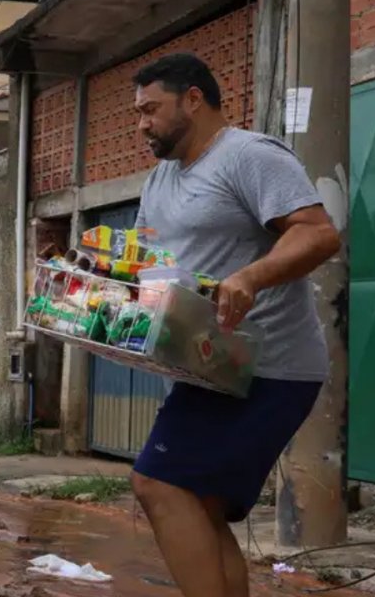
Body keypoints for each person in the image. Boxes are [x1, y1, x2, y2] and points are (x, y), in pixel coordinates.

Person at [127, 53, 340, 597]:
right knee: (199, 502)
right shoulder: (159, 180)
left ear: (193, 99)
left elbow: (317, 233)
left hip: (266, 366)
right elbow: (144, 261)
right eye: (138, 113)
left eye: (151, 109)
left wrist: (251, 277)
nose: (142, 124)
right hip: (208, 368)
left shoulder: (248, 155)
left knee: (158, 483)